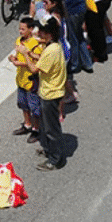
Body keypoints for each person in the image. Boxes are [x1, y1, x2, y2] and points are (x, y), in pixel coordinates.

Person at [33, 20, 68, 170]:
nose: (39, 33)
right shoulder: (53, 46)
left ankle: (55, 160)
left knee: (51, 129)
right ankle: (50, 150)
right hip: (49, 91)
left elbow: (35, 69)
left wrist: (25, 55)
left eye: (42, 31)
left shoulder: (51, 50)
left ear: (49, 33)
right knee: (47, 125)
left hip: (50, 95)